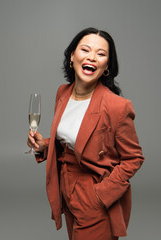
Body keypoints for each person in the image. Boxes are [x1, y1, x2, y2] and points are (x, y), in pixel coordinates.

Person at [27, 27, 144, 240]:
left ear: (106, 66)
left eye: (101, 54)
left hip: (94, 194)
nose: (92, 57)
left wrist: (101, 195)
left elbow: (133, 158)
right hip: (66, 189)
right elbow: (74, 140)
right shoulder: (63, 92)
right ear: (72, 56)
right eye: (85, 50)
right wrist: (45, 145)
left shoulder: (117, 106)